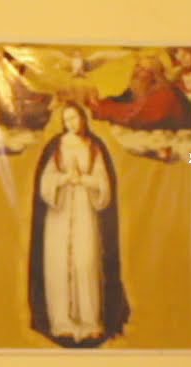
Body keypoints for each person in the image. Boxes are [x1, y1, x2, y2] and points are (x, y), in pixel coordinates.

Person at [28, 102, 129, 347]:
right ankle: (62, 322)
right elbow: (46, 182)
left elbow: (103, 184)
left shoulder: (93, 147)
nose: (71, 124)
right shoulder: (56, 147)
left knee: (85, 262)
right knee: (59, 265)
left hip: (85, 210)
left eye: (75, 118)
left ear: (83, 119)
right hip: (59, 214)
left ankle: (89, 322)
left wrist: (84, 180)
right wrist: (63, 178)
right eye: (67, 119)